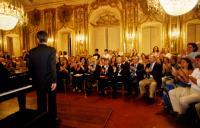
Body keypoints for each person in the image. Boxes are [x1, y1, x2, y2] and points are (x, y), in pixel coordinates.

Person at [28, 31, 59, 125]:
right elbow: (52, 67)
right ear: (47, 39)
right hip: (50, 81)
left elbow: (30, 68)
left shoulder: (32, 51)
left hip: (38, 81)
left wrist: (32, 79)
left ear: (37, 39)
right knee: (52, 100)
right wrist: (54, 81)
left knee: (40, 101)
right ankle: (53, 118)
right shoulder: (52, 50)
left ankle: (42, 119)